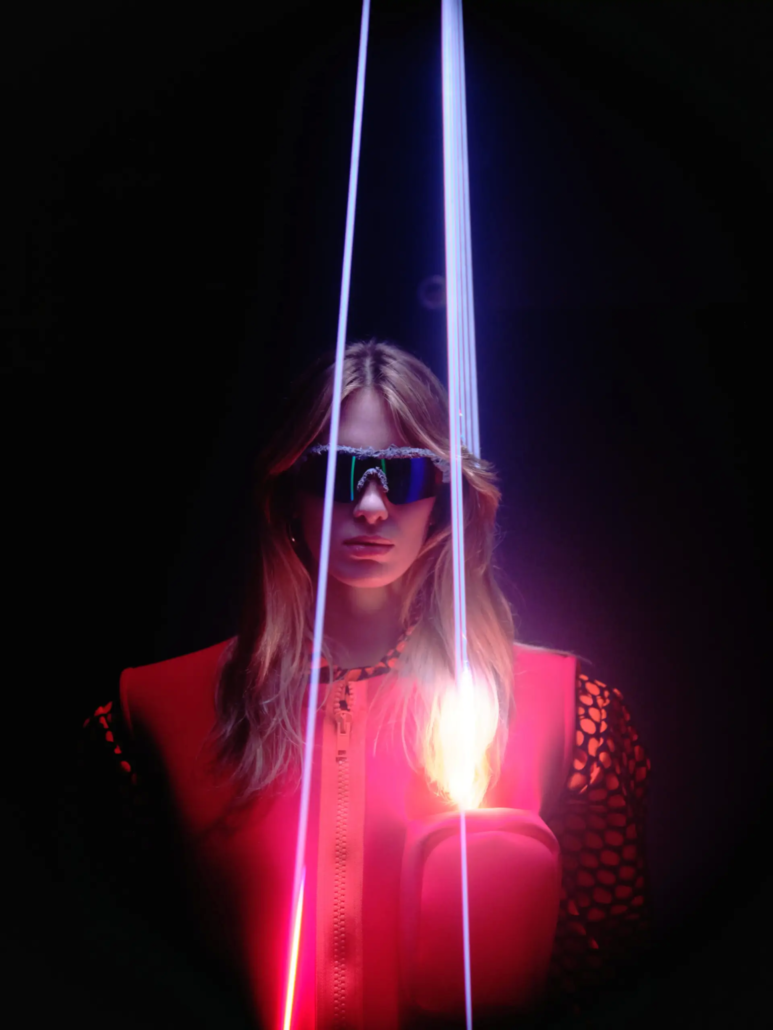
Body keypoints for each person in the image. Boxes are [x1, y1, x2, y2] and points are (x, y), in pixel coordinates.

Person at [67, 340, 652, 1029]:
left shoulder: (564, 711)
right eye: (339, 472)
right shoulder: (153, 716)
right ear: (287, 494)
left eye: (405, 475)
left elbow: (607, 969)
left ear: (442, 500)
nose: (372, 505)